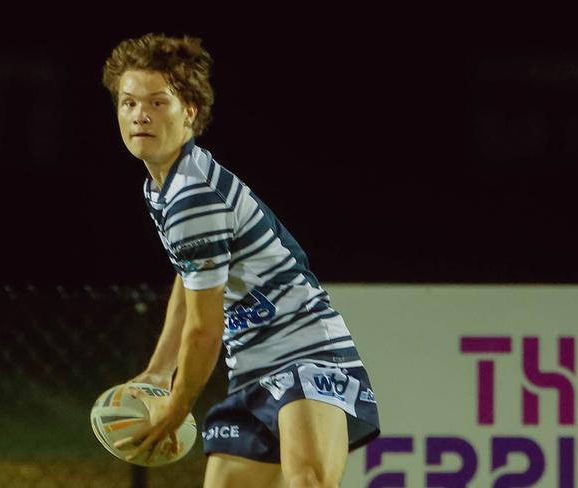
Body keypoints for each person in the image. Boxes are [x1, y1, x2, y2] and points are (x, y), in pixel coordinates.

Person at [102, 32, 380, 488]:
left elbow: (204, 329)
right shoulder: (163, 187)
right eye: (128, 103)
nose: (139, 116)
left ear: (189, 111)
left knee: (306, 481)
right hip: (252, 366)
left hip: (308, 352)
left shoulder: (192, 195)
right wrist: (159, 370)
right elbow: (191, 276)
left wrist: (176, 407)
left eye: (157, 102)